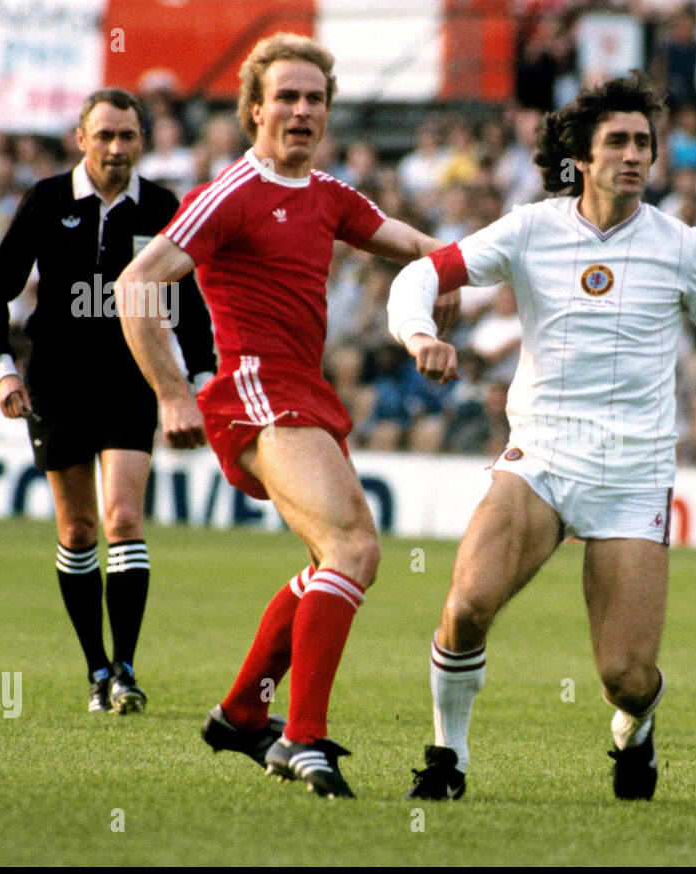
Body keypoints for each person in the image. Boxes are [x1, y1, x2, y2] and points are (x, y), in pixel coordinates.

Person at [386, 75, 696, 801]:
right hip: (540, 457)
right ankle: (448, 759)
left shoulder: (681, 245)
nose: (634, 155)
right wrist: (419, 335)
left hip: (632, 474)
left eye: (644, 144)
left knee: (625, 678)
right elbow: (420, 274)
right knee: (467, 603)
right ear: (583, 159)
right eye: (618, 143)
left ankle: (636, 732)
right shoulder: (529, 229)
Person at [115, 33, 458, 799]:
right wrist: (171, 392)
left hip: (302, 393)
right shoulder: (232, 192)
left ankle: (242, 713)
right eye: (288, 98)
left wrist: (454, 270)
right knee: (353, 547)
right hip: (255, 393)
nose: (303, 111)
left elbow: (406, 241)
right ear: (255, 110)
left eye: (316, 99)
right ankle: (301, 737)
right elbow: (137, 284)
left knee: (332, 560)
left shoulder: (328, 194)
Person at [0, 88, 217, 716]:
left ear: (142, 142)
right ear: (81, 139)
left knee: (123, 521)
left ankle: (128, 670)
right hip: (56, 382)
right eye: (104, 135)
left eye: (128, 136)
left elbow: (186, 304)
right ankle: (96, 669)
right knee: (78, 529)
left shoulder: (163, 207)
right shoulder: (48, 200)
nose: (116, 148)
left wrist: (201, 377)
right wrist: (4, 371)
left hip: (131, 380)